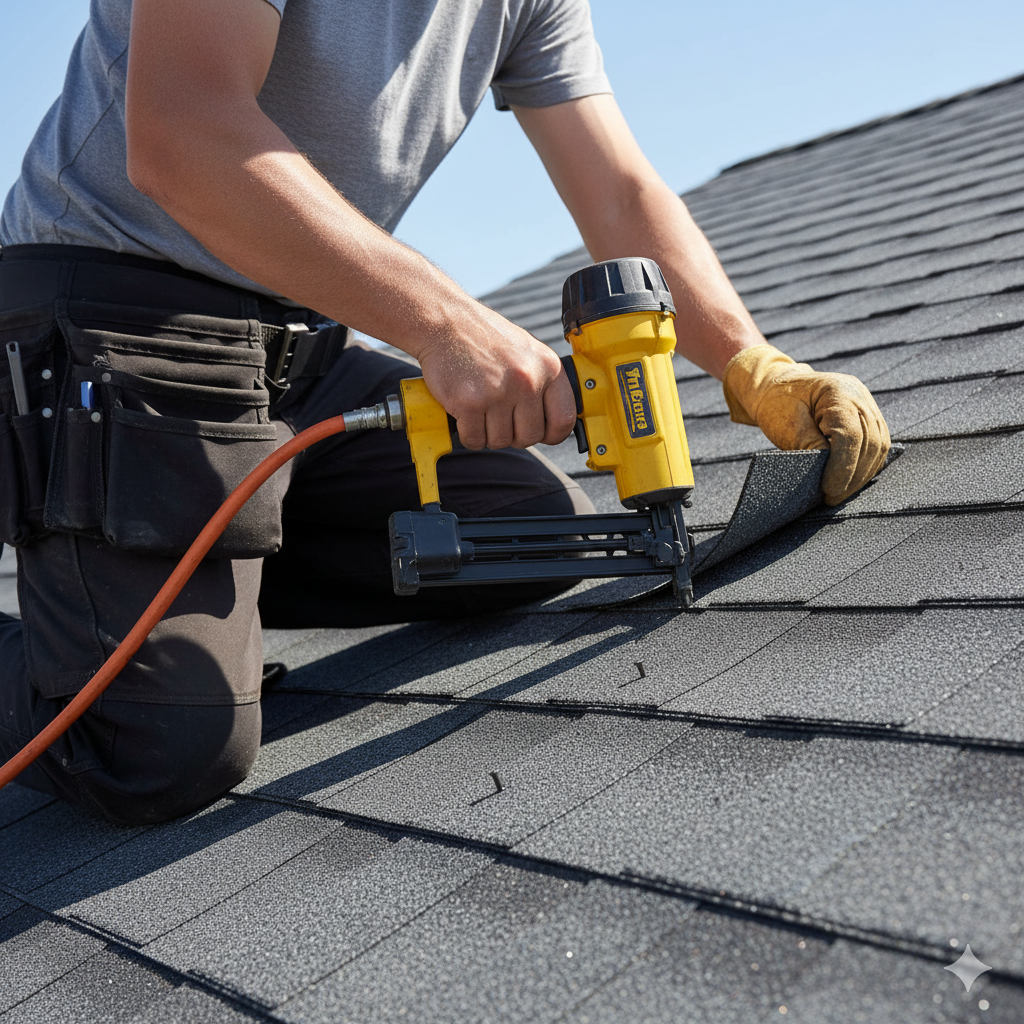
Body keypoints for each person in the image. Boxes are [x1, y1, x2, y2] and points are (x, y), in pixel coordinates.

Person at [0, 0, 889, 824]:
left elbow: (617, 193)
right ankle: (127, 642)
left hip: (297, 341)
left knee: (513, 533)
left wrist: (751, 363)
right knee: (159, 749)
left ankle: (177, 587)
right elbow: (182, 137)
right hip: (113, 324)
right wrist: (445, 323)